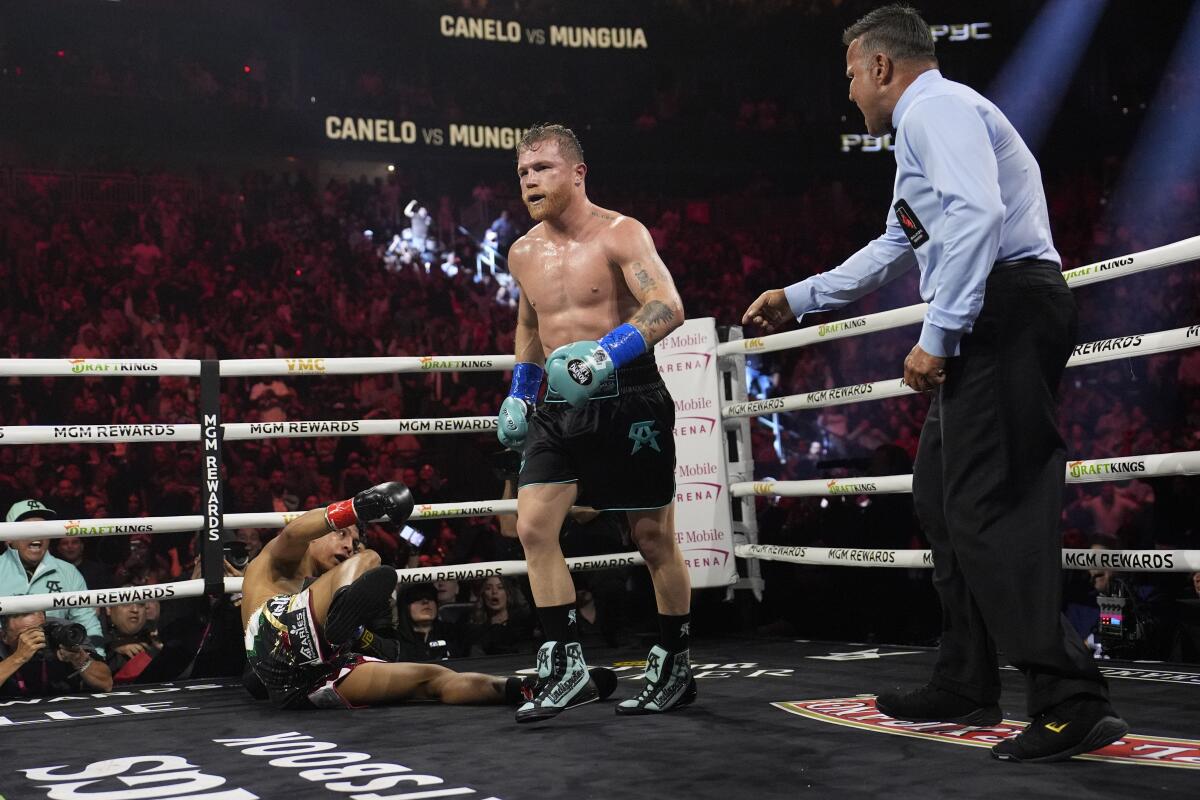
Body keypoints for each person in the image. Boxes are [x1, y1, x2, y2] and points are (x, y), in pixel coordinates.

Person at [741, 5, 1125, 762]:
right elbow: (898, 241)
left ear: (881, 65)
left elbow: (979, 215)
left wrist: (937, 334)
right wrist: (801, 294)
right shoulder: (930, 126)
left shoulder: (936, 109)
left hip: (1002, 308)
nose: (848, 90)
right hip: (996, 308)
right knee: (941, 495)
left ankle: (1070, 696)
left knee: (989, 505)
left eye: (851, 73)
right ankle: (965, 677)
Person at [497, 123, 694, 722]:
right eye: (524, 171)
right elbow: (531, 329)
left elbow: (669, 305)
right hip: (558, 408)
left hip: (628, 395)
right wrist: (520, 392)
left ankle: (674, 661)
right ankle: (566, 663)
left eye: (543, 169)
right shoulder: (522, 251)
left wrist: (606, 352)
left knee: (652, 537)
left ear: (577, 173)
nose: (530, 180)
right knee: (533, 526)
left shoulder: (620, 233)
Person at [240, 480, 592, 710]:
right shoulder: (281, 560)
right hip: (276, 630)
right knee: (373, 560)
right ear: (319, 535)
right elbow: (293, 533)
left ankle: (531, 689)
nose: (349, 546)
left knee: (432, 679)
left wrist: (357, 633)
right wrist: (356, 508)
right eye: (343, 535)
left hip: (305, 683)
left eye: (355, 539)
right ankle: (342, 610)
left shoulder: (329, 582)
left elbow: (391, 651)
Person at [0, 500, 107, 656]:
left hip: (57, 667)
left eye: (43, 528)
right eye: (27, 529)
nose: (37, 534)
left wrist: (97, 658)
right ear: (8, 537)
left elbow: (87, 623)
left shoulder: (69, 572)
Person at [0, 610, 114, 696]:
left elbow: (106, 683)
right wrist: (18, 657)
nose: (34, 639)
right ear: (4, 636)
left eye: (38, 631)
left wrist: (79, 659)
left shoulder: (62, 631)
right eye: (25, 635)